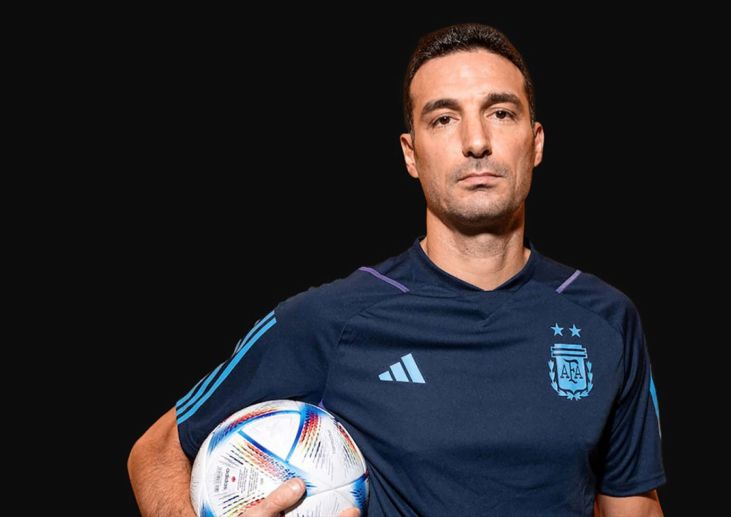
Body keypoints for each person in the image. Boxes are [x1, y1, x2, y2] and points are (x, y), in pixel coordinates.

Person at [128, 23, 665, 516]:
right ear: (411, 154)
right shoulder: (332, 319)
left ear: (536, 142)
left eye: (501, 113)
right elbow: (155, 452)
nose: (476, 141)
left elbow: (634, 508)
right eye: (443, 119)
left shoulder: (605, 318)